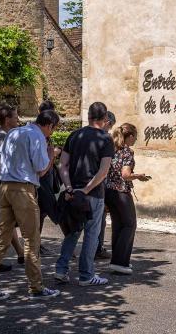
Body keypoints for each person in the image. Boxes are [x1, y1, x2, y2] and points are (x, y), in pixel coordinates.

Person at [0, 110, 61, 300]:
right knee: (32, 239)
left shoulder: (14, 132)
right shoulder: (37, 136)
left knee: (2, 239)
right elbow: (41, 170)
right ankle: (36, 287)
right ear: (49, 125)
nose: (52, 133)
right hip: (23, 190)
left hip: (5, 188)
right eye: (53, 129)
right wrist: (51, 156)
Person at [55, 102, 115, 287]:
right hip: (93, 194)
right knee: (92, 234)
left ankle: (61, 270)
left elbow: (62, 165)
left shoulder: (74, 135)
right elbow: (103, 171)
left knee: (73, 232)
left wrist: (71, 188)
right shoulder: (105, 139)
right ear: (105, 118)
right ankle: (86, 275)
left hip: (73, 193)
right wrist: (86, 190)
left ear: (88, 116)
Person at [105, 123, 150, 274]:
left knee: (118, 225)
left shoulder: (112, 149)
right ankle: (120, 262)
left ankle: (116, 262)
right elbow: (125, 174)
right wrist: (139, 176)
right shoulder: (127, 152)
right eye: (135, 138)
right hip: (121, 192)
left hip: (108, 191)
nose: (135, 141)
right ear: (129, 136)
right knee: (130, 225)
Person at [0, 105, 24, 273]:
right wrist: (3, 180)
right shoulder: (2, 136)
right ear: (7, 120)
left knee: (8, 221)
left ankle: (21, 253)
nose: (18, 120)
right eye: (15, 117)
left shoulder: (4, 134)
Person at [36, 100, 62, 255]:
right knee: (45, 211)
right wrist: (54, 154)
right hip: (43, 177)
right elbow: (43, 160)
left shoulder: (41, 130)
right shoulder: (41, 134)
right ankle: (35, 245)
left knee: (41, 213)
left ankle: (36, 244)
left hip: (46, 176)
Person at [96, 110, 117, 261]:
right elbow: (107, 167)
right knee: (99, 219)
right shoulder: (106, 139)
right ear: (107, 122)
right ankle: (97, 248)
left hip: (80, 183)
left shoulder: (82, 135)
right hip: (98, 184)